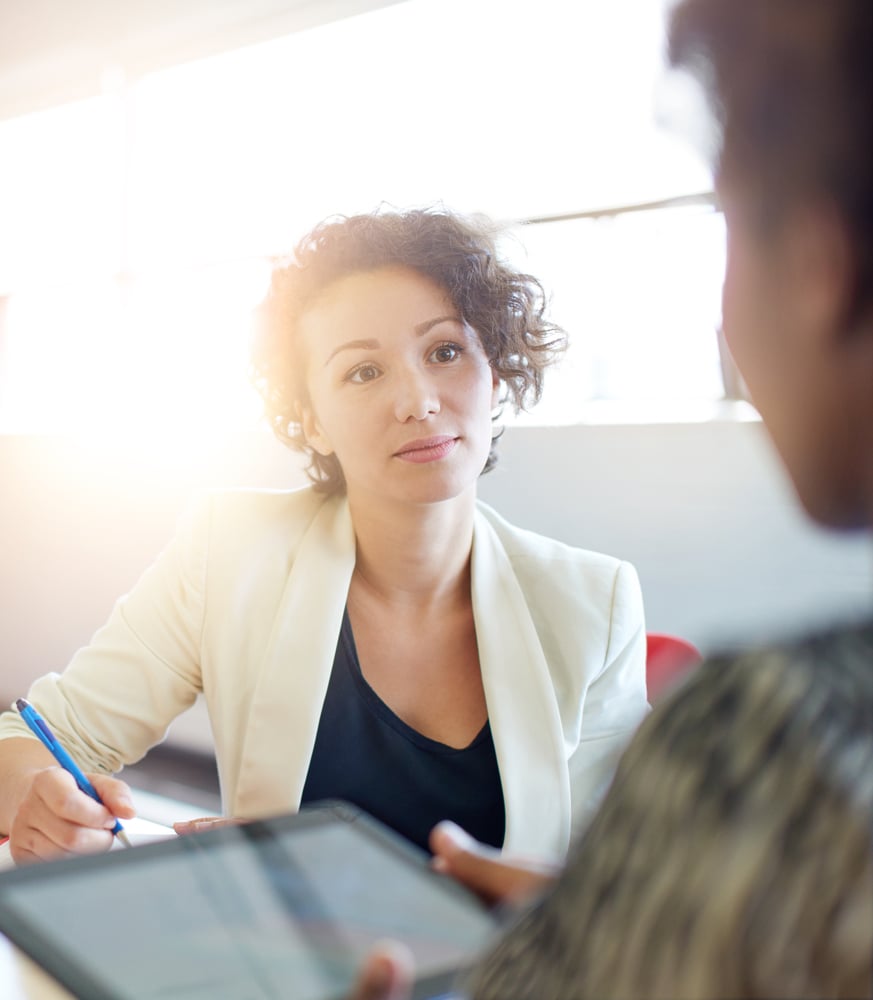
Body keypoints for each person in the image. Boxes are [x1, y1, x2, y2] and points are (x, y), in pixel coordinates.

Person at [354, 0, 873, 997]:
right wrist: (621, 905)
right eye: (363, 370)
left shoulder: (780, 745)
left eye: (728, 227)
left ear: (820, 265)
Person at [0, 208, 649, 865]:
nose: (417, 401)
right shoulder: (231, 551)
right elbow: (30, 740)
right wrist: (40, 799)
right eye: (363, 372)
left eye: (445, 352)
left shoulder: (594, 604)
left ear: (496, 376)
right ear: (311, 420)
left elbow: (622, 879)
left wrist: (343, 877)